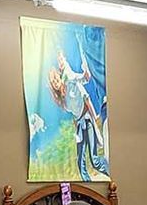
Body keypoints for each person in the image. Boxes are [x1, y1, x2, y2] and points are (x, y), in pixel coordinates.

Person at [47, 46, 109, 178]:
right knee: (80, 162)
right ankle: (86, 191)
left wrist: (94, 117)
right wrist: (76, 128)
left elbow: (84, 87)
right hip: (80, 124)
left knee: (95, 161)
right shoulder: (62, 99)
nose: (56, 83)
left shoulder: (69, 79)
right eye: (53, 82)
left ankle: (109, 173)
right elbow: (74, 113)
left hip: (88, 120)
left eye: (56, 79)